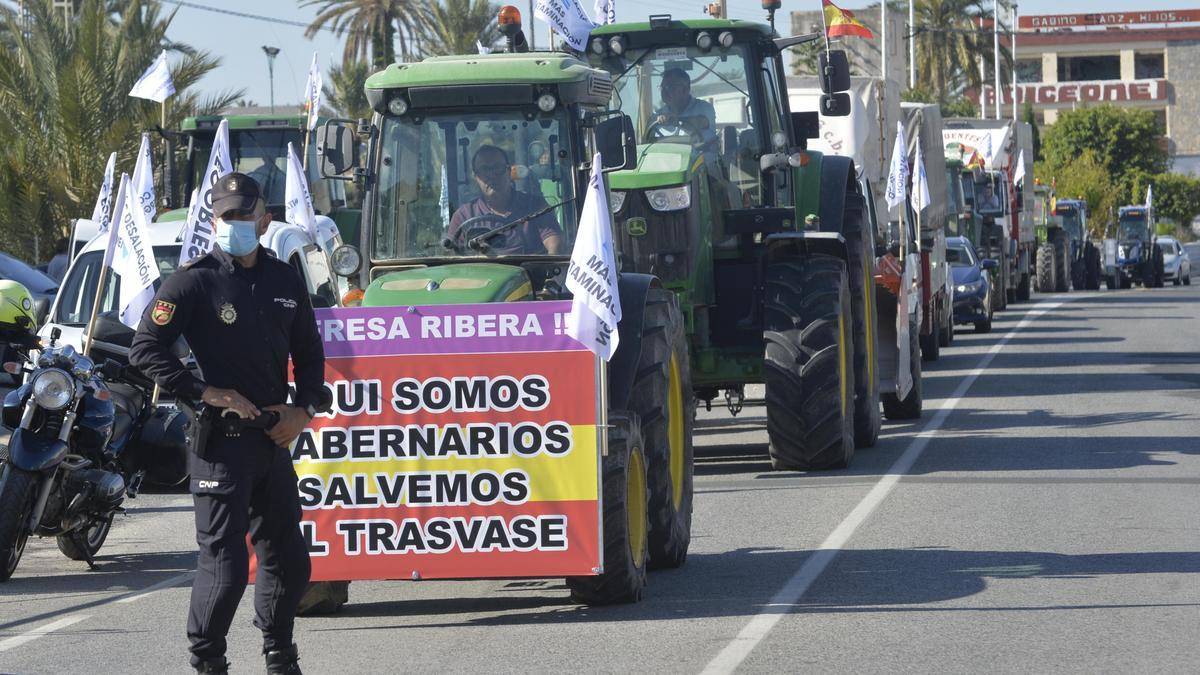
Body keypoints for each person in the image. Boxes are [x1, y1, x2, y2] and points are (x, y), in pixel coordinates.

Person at [129, 173, 325, 675]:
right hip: (220, 445)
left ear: (264, 217)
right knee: (226, 570)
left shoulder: (284, 279)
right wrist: (205, 391)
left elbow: (309, 353)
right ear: (215, 219)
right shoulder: (193, 280)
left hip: (272, 442)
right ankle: (208, 663)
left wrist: (302, 410)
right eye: (227, 215)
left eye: (244, 214)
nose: (236, 223)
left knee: (290, 560)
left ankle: (280, 657)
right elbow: (145, 349)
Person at [448, 145, 564, 255]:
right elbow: (452, 260)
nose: (492, 175)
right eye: (484, 170)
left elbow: (555, 246)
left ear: (508, 171)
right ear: (476, 177)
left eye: (497, 168)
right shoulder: (464, 216)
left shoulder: (535, 207)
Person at [654, 67, 718, 152]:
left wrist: (675, 120)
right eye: (662, 87)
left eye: (669, 86)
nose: (664, 91)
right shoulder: (656, 115)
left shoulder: (704, 108)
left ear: (686, 89)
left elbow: (702, 122)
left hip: (702, 162)